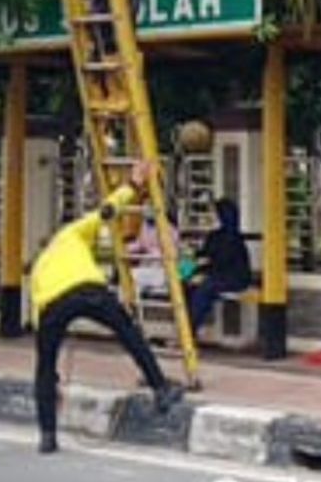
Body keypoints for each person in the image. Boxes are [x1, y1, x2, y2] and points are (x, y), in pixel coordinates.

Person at [30, 160, 183, 455]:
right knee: (128, 332)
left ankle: (47, 436)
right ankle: (160, 388)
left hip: (50, 305)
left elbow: (39, 319)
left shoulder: (39, 268)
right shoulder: (72, 233)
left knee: (44, 367)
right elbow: (107, 211)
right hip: (88, 289)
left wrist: (53, 380)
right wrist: (135, 184)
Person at [187, 198, 253, 336]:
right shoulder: (214, 236)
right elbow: (201, 257)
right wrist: (184, 272)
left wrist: (202, 273)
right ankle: (186, 328)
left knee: (205, 287)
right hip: (215, 276)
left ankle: (188, 333)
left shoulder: (233, 238)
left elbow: (218, 262)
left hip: (234, 278)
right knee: (187, 285)